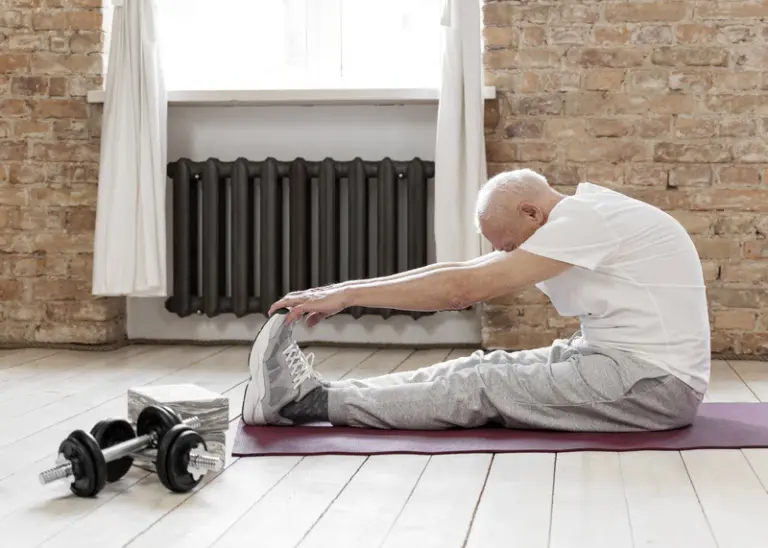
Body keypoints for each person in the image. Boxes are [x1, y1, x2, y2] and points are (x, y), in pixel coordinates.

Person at [240, 168, 710, 432]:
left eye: (507, 244)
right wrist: (343, 292)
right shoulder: (581, 213)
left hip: (652, 384)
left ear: (532, 212)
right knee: (475, 367)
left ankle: (308, 407)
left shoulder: (587, 221)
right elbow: (460, 272)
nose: (507, 254)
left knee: (483, 385)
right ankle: (323, 395)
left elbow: (461, 291)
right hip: (617, 362)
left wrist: (346, 296)